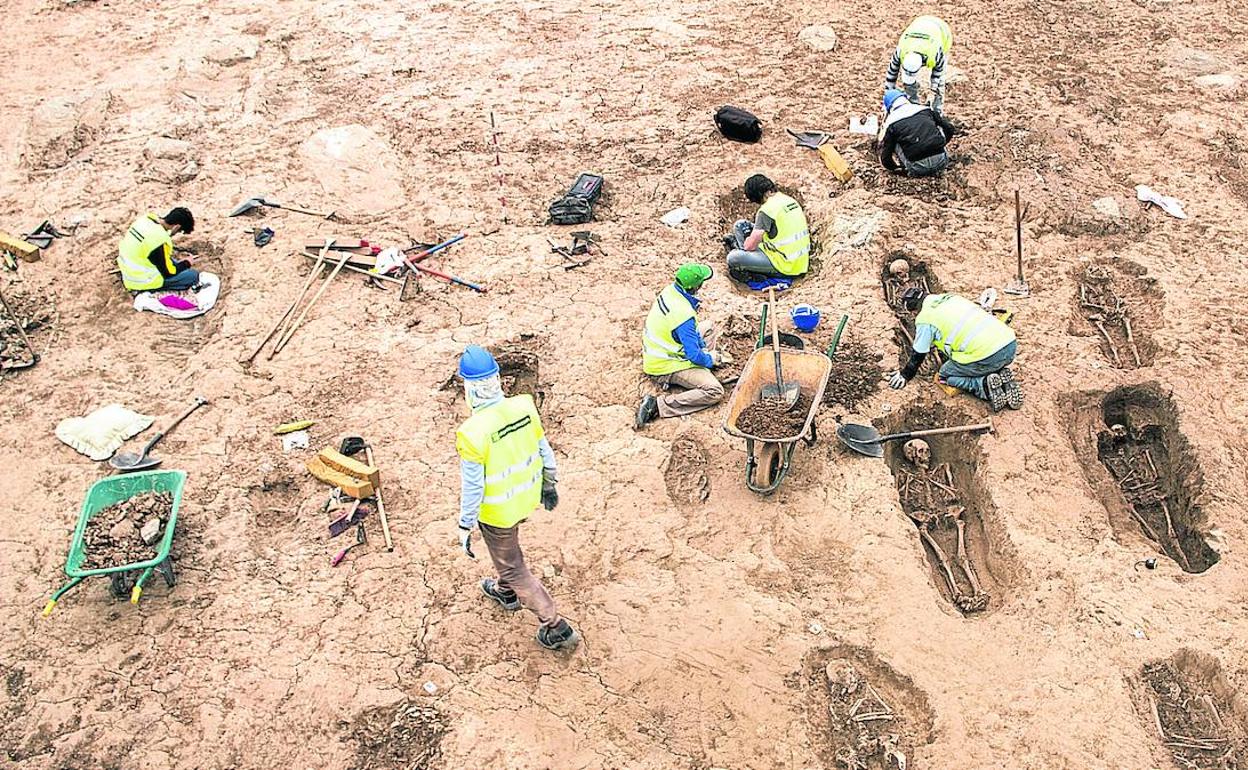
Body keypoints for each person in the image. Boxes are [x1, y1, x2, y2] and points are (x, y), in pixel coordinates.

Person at [455, 345, 578, 652]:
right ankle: (504, 591)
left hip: (498, 512)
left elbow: (472, 486)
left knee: (513, 566)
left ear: (469, 388)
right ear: (498, 380)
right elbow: (545, 451)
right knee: (506, 553)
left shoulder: (471, 432)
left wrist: (465, 525)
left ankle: (556, 627)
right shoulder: (524, 406)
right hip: (527, 496)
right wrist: (550, 485)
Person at [888, 287, 1023, 411]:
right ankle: (999, 376)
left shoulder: (925, 319)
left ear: (914, 311)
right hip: (1009, 345)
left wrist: (906, 375)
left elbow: (919, 353)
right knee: (982, 358)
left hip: (987, 356)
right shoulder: (951, 297)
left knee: (944, 376)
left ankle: (983, 386)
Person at [636, 263, 733, 428]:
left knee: (708, 327)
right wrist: (709, 359)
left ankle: (703, 371)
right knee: (715, 391)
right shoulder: (683, 316)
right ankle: (658, 406)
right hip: (664, 366)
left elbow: (689, 334)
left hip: (662, 348)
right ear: (696, 286)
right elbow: (693, 355)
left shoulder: (671, 291)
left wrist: (701, 346)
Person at [724, 174, 810, 282]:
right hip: (800, 263)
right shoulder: (788, 200)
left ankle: (750, 269)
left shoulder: (767, 210)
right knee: (740, 225)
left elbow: (749, 246)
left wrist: (747, 242)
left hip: (785, 266)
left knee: (733, 258)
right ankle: (752, 263)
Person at [116, 208, 200, 292]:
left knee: (171, 262)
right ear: (176, 226)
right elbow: (169, 273)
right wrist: (186, 263)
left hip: (128, 268)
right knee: (193, 276)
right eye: (179, 231)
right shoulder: (159, 240)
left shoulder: (145, 220)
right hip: (140, 281)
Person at [883, 15, 952, 114]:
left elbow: (938, 74)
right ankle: (913, 108)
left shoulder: (934, 53)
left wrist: (932, 92)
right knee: (910, 86)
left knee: (939, 85)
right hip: (919, 24)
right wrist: (887, 103)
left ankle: (937, 114)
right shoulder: (901, 51)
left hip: (942, 31)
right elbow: (891, 77)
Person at [880, 90, 956, 177]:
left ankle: (908, 166)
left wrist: (896, 169)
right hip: (941, 161)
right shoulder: (925, 110)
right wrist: (941, 144)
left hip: (917, 168)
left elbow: (886, 157)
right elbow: (950, 129)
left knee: (894, 141)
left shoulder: (891, 122)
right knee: (935, 128)